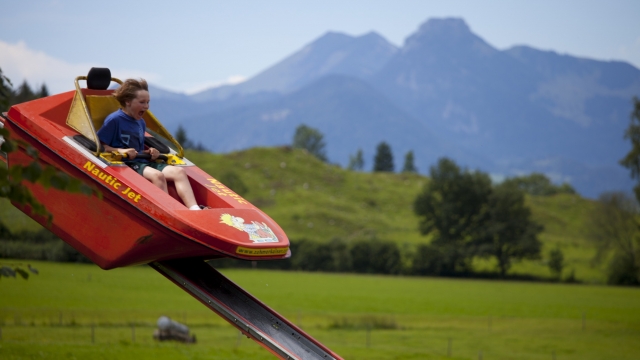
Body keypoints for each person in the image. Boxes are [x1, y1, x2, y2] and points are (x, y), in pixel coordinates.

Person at [97, 78, 202, 210]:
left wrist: (150, 152)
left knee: (179, 172)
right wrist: (121, 151)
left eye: (147, 102)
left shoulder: (141, 122)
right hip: (127, 164)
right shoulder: (115, 120)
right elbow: (101, 146)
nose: (146, 106)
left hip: (143, 161)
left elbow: (139, 148)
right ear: (128, 102)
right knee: (157, 176)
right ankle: (169, 211)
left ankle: (195, 210)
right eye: (142, 102)